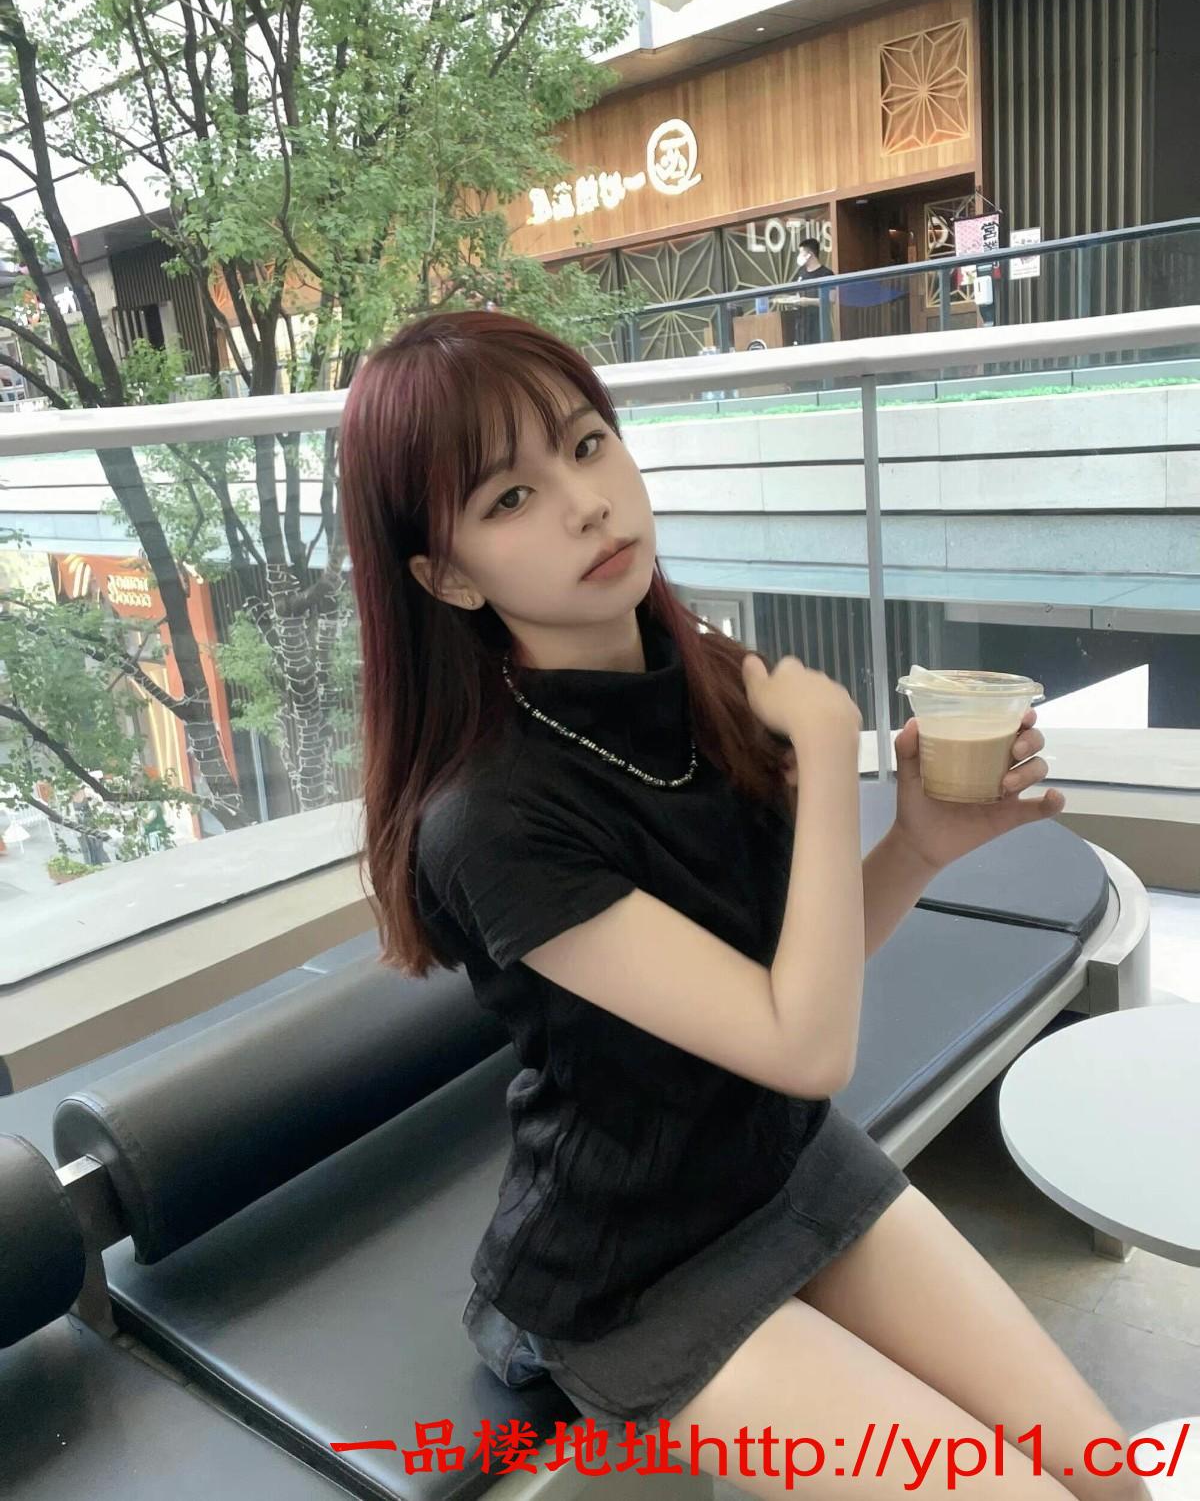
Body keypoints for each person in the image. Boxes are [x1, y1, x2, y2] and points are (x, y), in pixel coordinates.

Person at [338, 310, 1148, 1501]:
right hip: (633, 1270)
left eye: (586, 443)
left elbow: (789, 981)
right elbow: (805, 1046)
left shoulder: (709, 678)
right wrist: (826, 756)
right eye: (510, 498)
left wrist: (914, 846)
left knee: (1114, 1481)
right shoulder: (491, 818)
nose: (585, 504)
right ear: (448, 574)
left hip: (783, 1166)